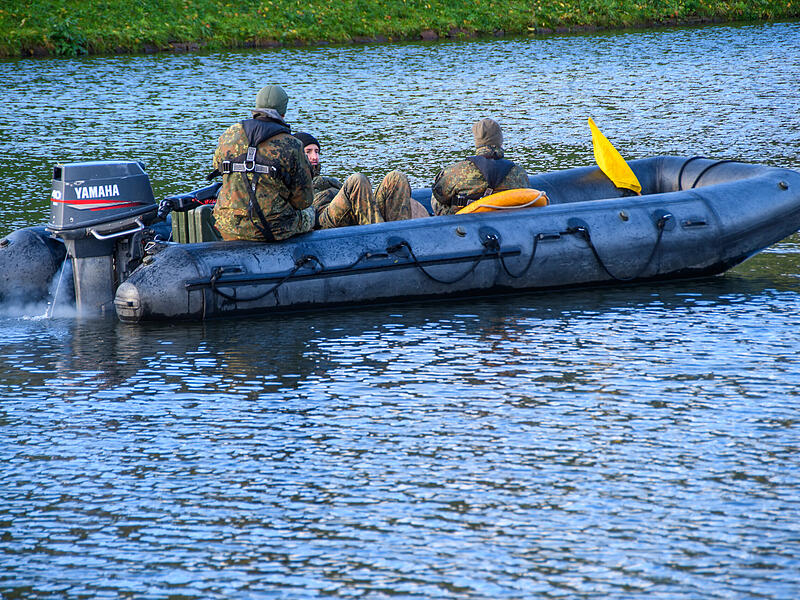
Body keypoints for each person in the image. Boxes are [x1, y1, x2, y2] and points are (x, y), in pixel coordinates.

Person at [211, 85, 315, 242]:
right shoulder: (292, 144)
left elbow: (217, 166)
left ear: (256, 108)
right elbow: (303, 201)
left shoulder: (228, 135)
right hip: (273, 229)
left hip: (228, 226)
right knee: (310, 212)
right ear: (283, 113)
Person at [293, 131, 428, 229]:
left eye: (317, 152)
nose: (314, 156)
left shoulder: (328, 180)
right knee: (357, 180)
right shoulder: (294, 180)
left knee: (396, 177)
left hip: (349, 210)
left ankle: (402, 234)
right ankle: (379, 235)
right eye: (308, 151)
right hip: (322, 218)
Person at [431, 118, 530, 216]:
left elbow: (440, 196)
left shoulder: (457, 171)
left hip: (463, 223)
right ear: (500, 141)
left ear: (477, 141)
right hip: (506, 221)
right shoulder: (518, 172)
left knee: (437, 191)